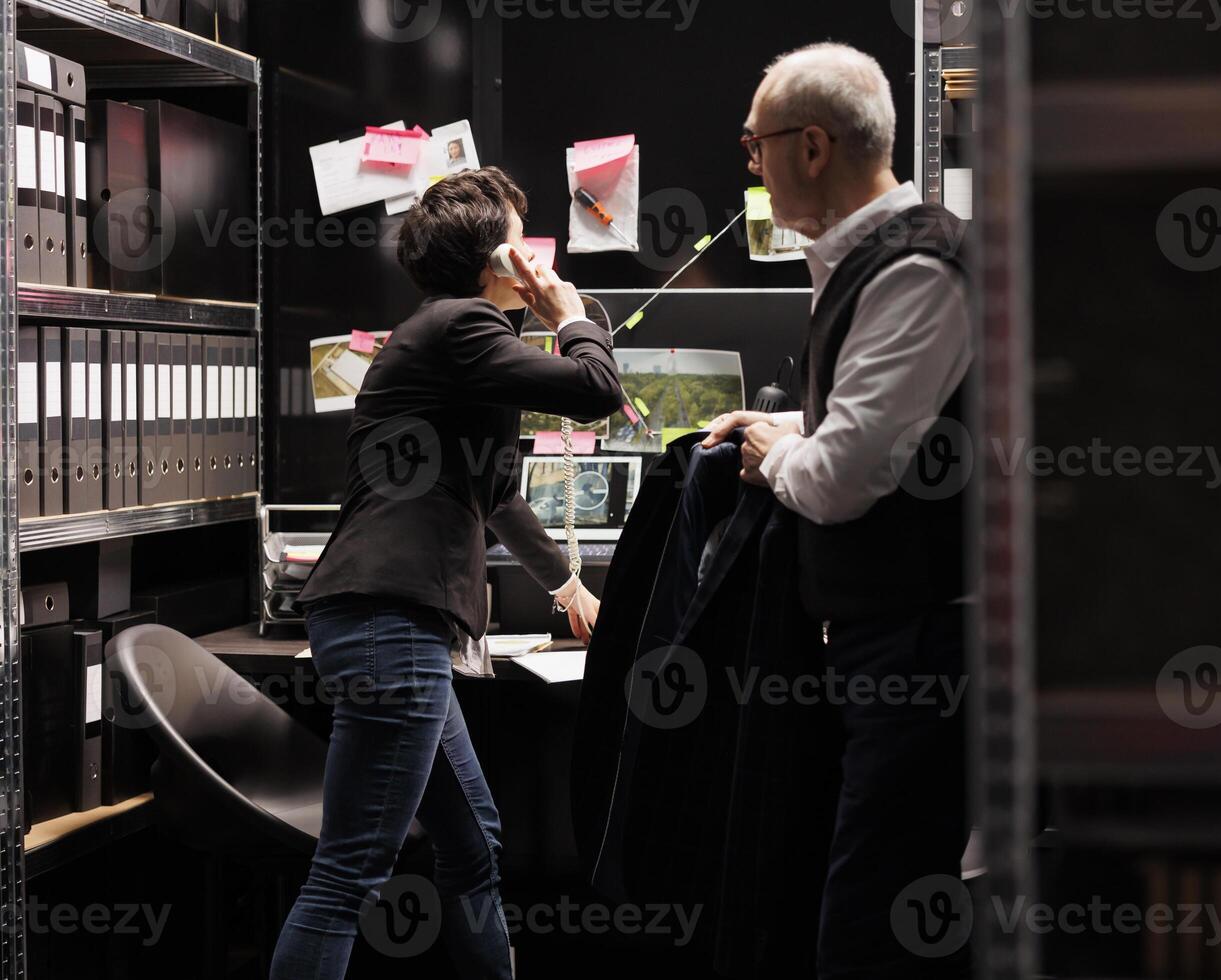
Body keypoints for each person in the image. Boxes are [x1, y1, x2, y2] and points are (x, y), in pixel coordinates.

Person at [272, 167, 622, 979]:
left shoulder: (454, 334)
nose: (535, 254)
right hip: (388, 625)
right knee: (350, 870)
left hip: (389, 625)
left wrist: (569, 588)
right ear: (493, 257)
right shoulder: (460, 328)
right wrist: (565, 315)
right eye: (519, 239)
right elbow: (595, 388)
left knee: (473, 842)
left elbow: (496, 491)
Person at [704, 43, 972, 978]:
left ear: (811, 147)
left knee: (869, 933)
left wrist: (781, 453)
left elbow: (849, 472)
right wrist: (786, 426)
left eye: (756, 145)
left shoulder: (916, 266)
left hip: (923, 652)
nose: (754, 164)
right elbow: (870, 425)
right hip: (890, 648)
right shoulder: (873, 262)